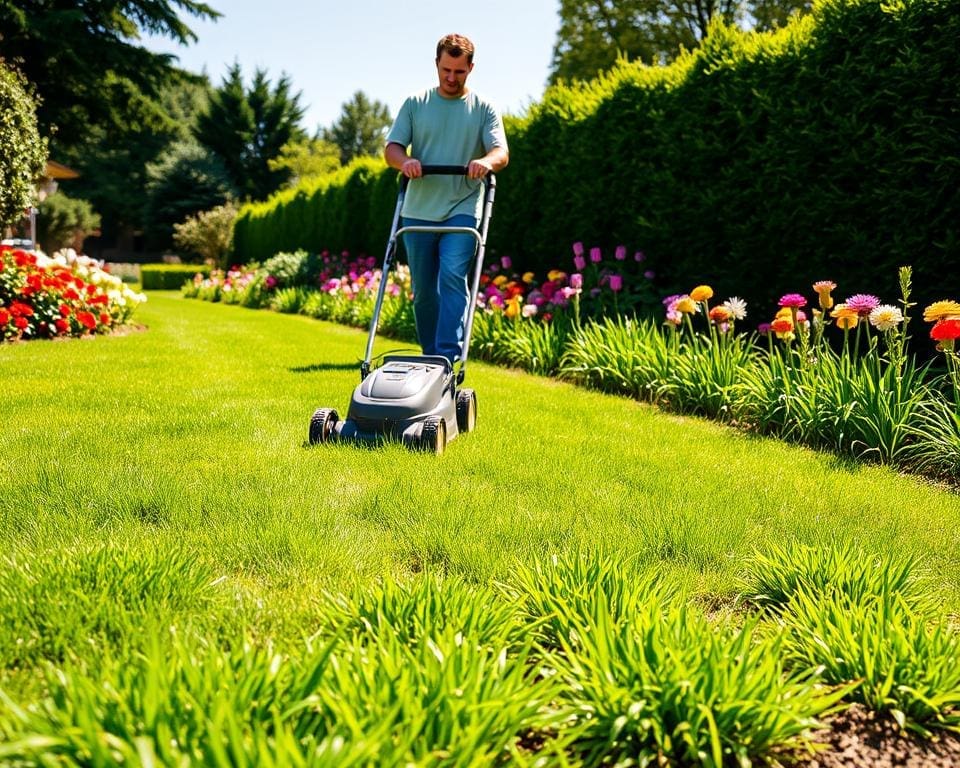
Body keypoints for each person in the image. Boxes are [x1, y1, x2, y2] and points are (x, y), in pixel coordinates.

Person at [384, 33, 509, 364]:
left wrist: (485, 162)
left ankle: (448, 360)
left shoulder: (483, 108)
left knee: (453, 277)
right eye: (445, 70)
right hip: (419, 209)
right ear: (437, 65)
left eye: (459, 71)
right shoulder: (415, 104)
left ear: (470, 67)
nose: (451, 78)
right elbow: (392, 149)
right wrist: (405, 161)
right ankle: (429, 359)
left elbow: (501, 152)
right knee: (424, 292)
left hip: (463, 206)